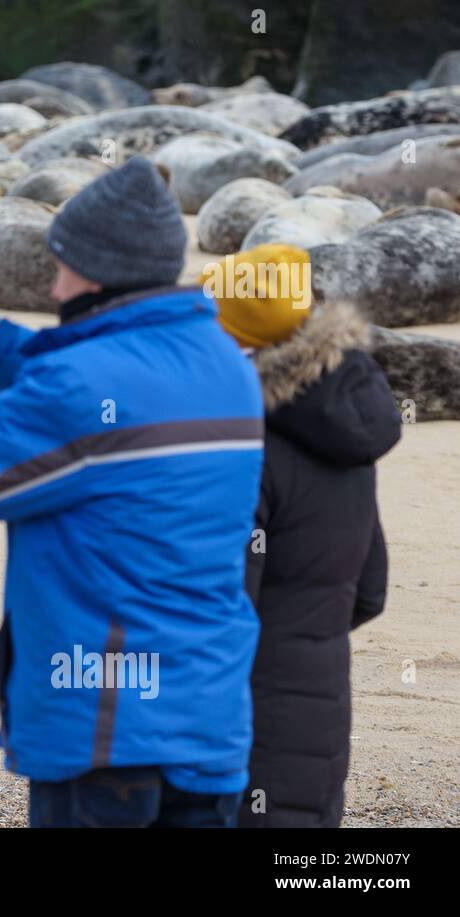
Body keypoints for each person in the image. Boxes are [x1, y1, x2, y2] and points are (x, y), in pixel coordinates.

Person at [0, 156, 265, 828]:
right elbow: (111, 412)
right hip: (209, 727)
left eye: (61, 264)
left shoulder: (81, 384)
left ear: (96, 272)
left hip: (105, 739)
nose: (53, 283)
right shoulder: (225, 363)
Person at [202, 245, 401, 828]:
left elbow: (221, 605)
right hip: (318, 714)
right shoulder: (344, 433)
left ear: (239, 339)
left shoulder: (244, 446)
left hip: (234, 720)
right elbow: (370, 591)